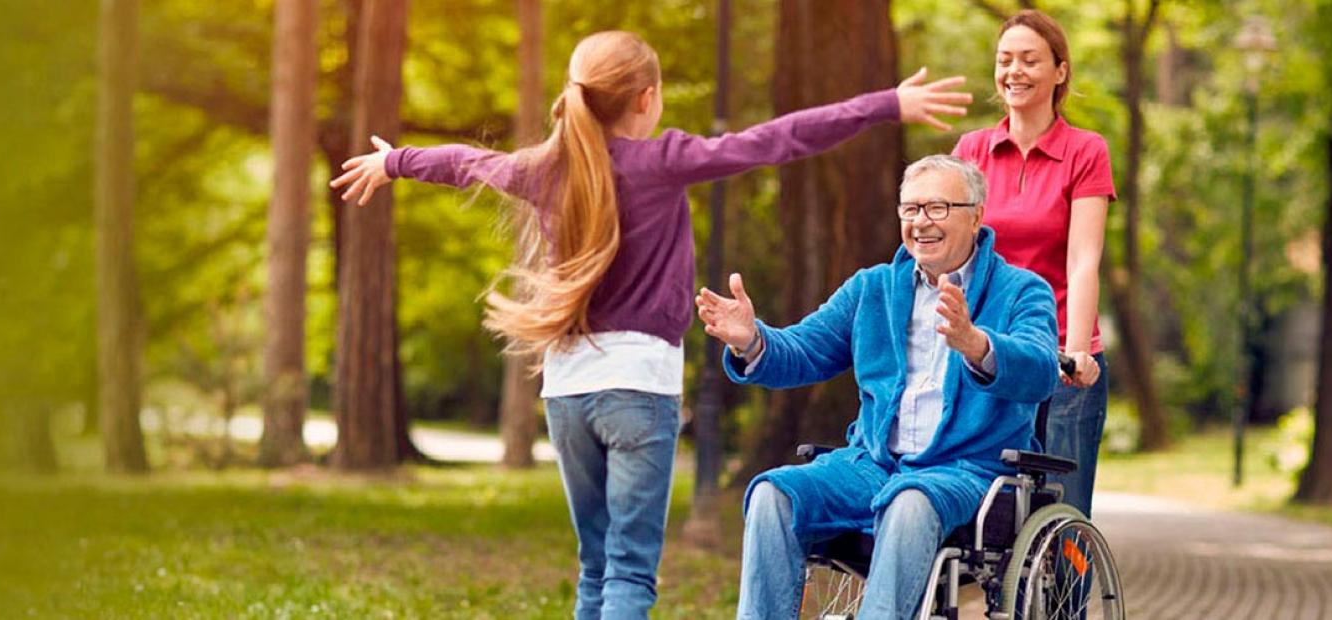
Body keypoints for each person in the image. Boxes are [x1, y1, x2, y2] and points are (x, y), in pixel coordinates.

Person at [329, 31, 972, 619]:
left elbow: (467, 163)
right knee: (630, 574)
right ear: (646, 98)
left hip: (567, 392)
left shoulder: (546, 168)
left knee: (596, 567)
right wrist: (886, 104)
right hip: (638, 389)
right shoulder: (661, 161)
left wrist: (396, 162)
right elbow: (778, 138)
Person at [697, 155, 1058, 618]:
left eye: (937, 208)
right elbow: (804, 350)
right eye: (910, 209)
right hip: (873, 464)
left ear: (977, 215)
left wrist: (976, 344)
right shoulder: (873, 288)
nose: (920, 222)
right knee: (773, 494)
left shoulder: (1021, 290)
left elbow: (1042, 370)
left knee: (909, 501)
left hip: (967, 471)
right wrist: (751, 340)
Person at [951, 9, 1116, 518]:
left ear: (1060, 71)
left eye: (1030, 60)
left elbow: (1084, 259)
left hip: (1063, 354)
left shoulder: (1085, 151)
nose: (1014, 71)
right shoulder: (971, 149)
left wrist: (1075, 351)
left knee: (1061, 509)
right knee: (983, 507)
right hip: (991, 351)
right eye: (1005, 61)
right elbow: (952, 256)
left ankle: (1066, 599)